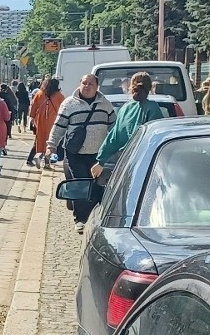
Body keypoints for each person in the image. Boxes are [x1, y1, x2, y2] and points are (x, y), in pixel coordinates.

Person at [46, 74, 115, 233]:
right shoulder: (69, 104)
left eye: (91, 83)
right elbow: (58, 127)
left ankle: (95, 217)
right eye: (84, 83)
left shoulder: (105, 104)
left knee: (96, 185)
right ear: (80, 84)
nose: (87, 86)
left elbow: (114, 127)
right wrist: (51, 146)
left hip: (98, 155)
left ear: (97, 86)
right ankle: (81, 220)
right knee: (80, 185)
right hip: (75, 154)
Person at [92, 72, 164, 178]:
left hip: (124, 163)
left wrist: (101, 161)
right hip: (146, 164)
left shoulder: (125, 108)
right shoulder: (153, 108)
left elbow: (114, 138)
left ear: (130, 87)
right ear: (149, 88)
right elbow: (159, 139)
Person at [29, 78, 65, 170]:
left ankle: (38, 155)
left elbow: (33, 106)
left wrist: (32, 117)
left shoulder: (40, 93)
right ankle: (47, 163)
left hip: (40, 120)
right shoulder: (59, 95)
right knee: (51, 141)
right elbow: (64, 108)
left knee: (40, 139)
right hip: (53, 120)